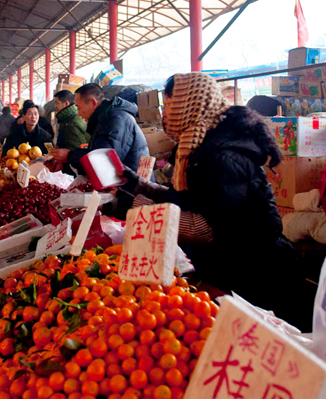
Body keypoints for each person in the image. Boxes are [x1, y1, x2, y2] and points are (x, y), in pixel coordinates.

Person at [118, 72, 313, 331]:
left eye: (170, 105)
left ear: (189, 104)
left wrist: (135, 207)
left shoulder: (221, 155)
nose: (165, 115)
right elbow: (190, 200)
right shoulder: (200, 144)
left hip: (258, 275)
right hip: (233, 267)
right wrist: (138, 186)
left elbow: (209, 228)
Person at [50, 83, 150, 174]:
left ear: (93, 103)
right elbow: (96, 153)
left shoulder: (116, 119)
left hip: (134, 189)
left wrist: (70, 156)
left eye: (79, 108)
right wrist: (66, 165)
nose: (78, 113)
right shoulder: (102, 120)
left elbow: (105, 161)